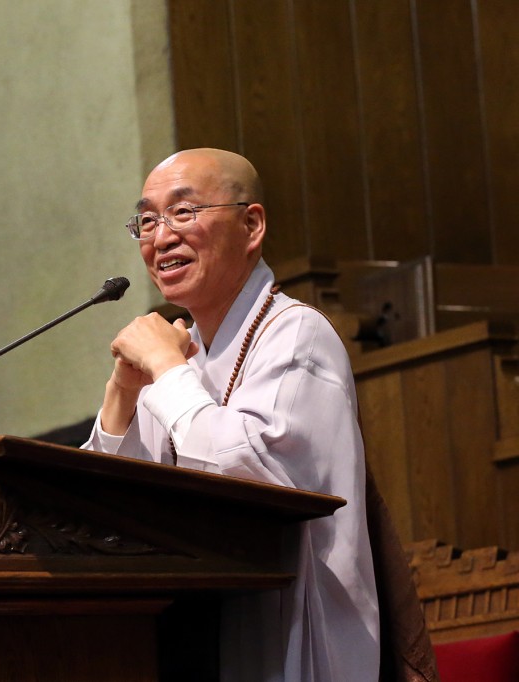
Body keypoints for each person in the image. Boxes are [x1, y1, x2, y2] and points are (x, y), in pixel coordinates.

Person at [83, 148, 380, 680]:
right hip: (190, 635)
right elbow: (108, 510)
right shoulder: (177, 354)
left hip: (290, 635)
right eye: (148, 220)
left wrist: (164, 367)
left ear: (251, 224)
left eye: (184, 211)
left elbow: (245, 481)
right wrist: (121, 394)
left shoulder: (296, 335)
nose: (161, 236)